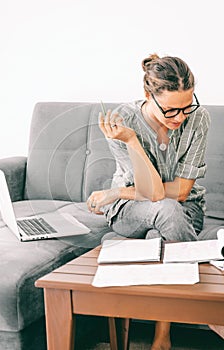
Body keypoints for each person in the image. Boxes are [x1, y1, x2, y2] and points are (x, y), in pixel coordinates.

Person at [87, 53, 210, 350]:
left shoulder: (200, 119)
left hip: (184, 209)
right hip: (130, 211)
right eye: (170, 110)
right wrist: (130, 140)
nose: (180, 117)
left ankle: (161, 337)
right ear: (147, 95)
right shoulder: (122, 121)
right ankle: (214, 312)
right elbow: (152, 193)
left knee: (160, 233)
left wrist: (115, 191)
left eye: (186, 106)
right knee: (164, 209)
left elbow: (181, 191)